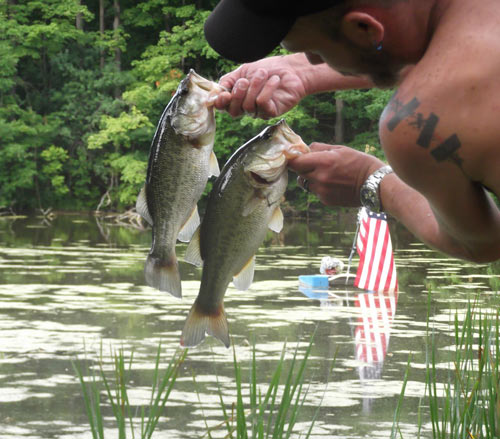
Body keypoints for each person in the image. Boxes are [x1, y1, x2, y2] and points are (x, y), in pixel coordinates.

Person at [203, 0, 500, 263]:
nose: (314, 61)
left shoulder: (413, 125)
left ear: (363, 28)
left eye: (313, 51)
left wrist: (371, 180)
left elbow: (480, 244)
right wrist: (303, 72)